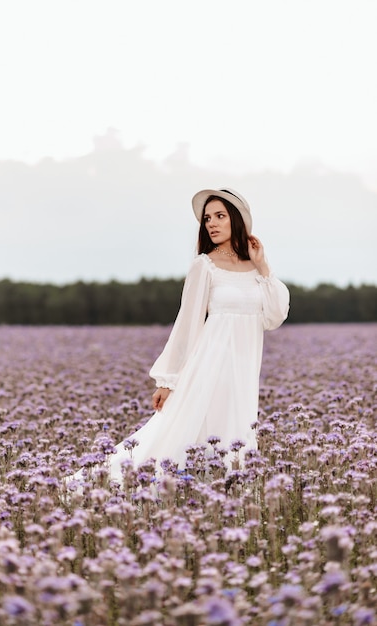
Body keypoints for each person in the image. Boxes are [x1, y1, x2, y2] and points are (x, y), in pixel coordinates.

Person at [66, 188, 289, 488]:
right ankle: (147, 485)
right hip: (209, 366)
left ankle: (225, 490)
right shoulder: (204, 265)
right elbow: (187, 324)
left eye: (220, 216)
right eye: (207, 218)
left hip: (243, 370)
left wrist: (263, 266)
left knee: (233, 434)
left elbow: (274, 317)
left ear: (237, 220)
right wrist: (168, 380)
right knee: (178, 433)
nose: (212, 223)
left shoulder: (256, 270)